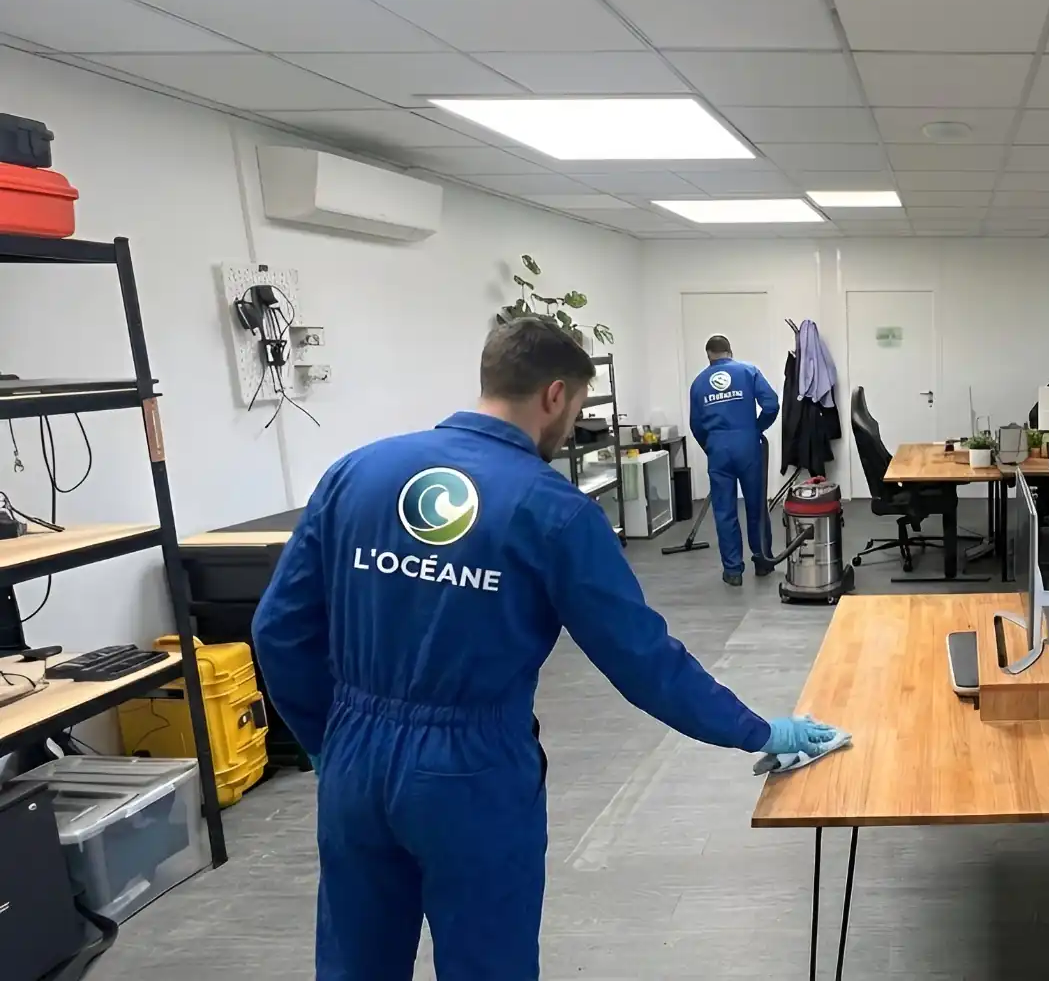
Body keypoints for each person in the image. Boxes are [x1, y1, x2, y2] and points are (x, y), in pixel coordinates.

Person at [252, 318, 839, 981]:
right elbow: (644, 661)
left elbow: (278, 630)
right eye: (580, 407)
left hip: (354, 762)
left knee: (355, 965)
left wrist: (329, 743)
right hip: (469, 773)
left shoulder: (355, 472)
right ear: (556, 396)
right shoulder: (553, 510)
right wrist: (758, 730)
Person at [688, 334, 780, 586]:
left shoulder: (698, 383)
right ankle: (762, 561)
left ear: (708, 356)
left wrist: (711, 446)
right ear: (730, 351)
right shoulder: (748, 371)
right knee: (756, 506)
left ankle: (733, 572)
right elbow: (771, 404)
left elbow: (695, 424)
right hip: (748, 445)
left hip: (718, 449)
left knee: (724, 511)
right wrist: (755, 428)